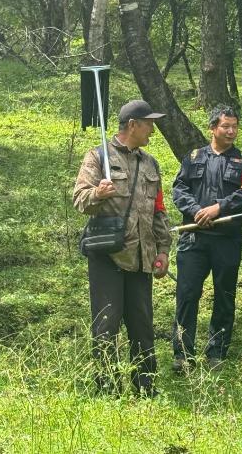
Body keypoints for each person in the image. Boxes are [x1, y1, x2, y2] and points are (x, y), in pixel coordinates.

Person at [72, 100, 171, 396]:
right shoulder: (98, 157)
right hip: (108, 255)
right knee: (106, 327)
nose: (152, 130)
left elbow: (159, 210)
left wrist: (163, 251)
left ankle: (145, 389)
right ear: (133, 125)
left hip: (141, 258)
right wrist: (97, 193)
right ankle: (107, 390)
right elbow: (79, 199)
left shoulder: (151, 163)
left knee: (143, 327)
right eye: (148, 124)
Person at [171, 106, 242, 371]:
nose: (231, 131)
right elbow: (179, 189)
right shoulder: (194, 157)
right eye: (225, 127)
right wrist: (197, 211)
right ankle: (182, 354)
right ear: (213, 128)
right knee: (187, 294)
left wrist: (219, 207)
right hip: (194, 239)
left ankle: (216, 353)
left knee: (225, 295)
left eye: (234, 127)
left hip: (227, 240)